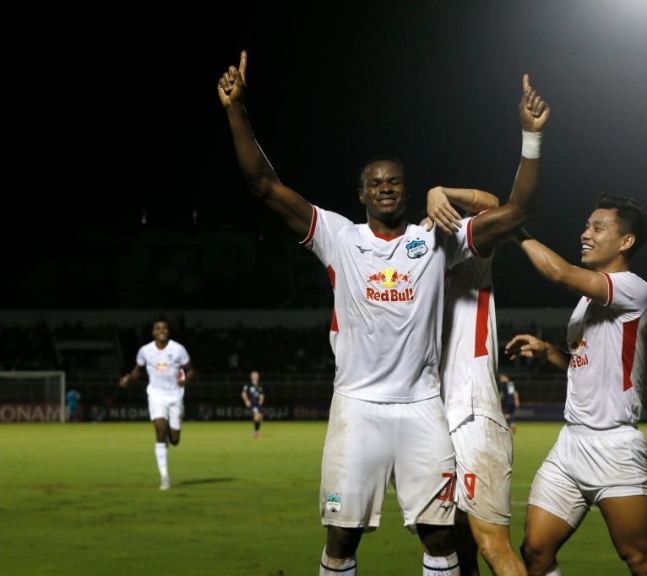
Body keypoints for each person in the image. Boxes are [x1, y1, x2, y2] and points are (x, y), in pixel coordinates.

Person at [218, 50, 549, 576]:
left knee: (441, 536)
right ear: (361, 194)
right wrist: (236, 109)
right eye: (375, 183)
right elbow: (264, 186)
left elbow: (516, 212)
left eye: (393, 181)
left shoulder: (435, 239)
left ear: (407, 190)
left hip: (422, 408)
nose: (385, 187)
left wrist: (530, 138)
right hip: (357, 408)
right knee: (342, 537)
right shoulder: (338, 237)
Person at [503, 195, 647, 576]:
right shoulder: (586, 302)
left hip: (614, 447)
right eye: (586, 226)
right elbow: (582, 362)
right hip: (571, 444)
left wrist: (516, 231)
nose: (585, 234)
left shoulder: (632, 288)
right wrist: (547, 352)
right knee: (535, 551)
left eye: (597, 228)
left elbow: (559, 272)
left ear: (625, 242)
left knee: (639, 560)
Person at [425, 185, 537, 575]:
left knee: (492, 545)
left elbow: (497, 207)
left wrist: (440, 193)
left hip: (473, 414)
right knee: (455, 547)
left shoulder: (469, 253)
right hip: (434, 418)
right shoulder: (416, 269)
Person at [119, 319, 194, 491]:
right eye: (158, 328)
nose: (162, 330)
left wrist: (185, 381)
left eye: (165, 328)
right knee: (160, 431)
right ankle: (164, 477)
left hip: (175, 396)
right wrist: (128, 379)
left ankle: (169, 431)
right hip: (156, 395)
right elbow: (138, 371)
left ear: (168, 331)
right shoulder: (145, 351)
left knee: (174, 440)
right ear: (153, 332)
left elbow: (190, 369)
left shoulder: (178, 349)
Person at [242, 370, 266, 438]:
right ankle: (255, 432)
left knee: (260, 417)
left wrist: (261, 399)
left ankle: (257, 430)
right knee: (257, 415)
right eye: (254, 375)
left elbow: (262, 395)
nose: (256, 377)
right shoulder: (248, 385)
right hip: (252, 404)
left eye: (257, 375)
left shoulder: (260, 386)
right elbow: (243, 393)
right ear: (251, 377)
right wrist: (246, 401)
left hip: (258, 405)